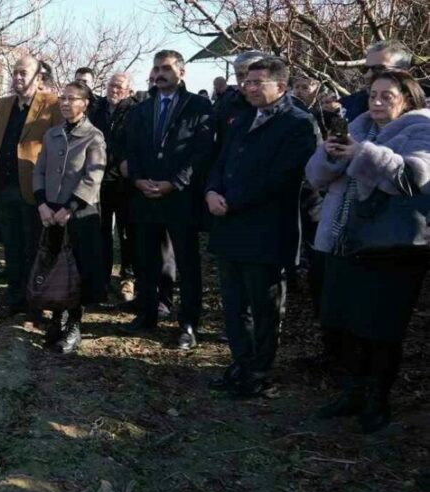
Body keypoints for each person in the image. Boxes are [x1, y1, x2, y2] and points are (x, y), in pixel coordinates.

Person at [306, 69, 430, 433]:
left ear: (407, 99)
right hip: (344, 242)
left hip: (392, 249)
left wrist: (364, 154)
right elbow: (316, 178)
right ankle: (352, 392)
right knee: (344, 324)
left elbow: (413, 179)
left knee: (381, 329)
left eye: (386, 96)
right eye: (373, 94)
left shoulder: (421, 129)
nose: (376, 102)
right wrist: (330, 155)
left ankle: (378, 400)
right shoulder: (356, 127)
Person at [205, 57, 318, 398]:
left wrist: (232, 201)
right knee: (234, 304)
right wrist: (211, 190)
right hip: (229, 227)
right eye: (246, 81)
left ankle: (260, 370)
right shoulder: (241, 118)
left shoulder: (299, 123)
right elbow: (220, 161)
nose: (247, 87)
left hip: (266, 230)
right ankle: (240, 362)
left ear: (281, 87)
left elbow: (281, 178)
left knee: (264, 306)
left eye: (257, 83)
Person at [122, 50, 214, 350]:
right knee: (146, 261)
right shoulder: (140, 109)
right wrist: (137, 179)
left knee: (186, 264)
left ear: (181, 73)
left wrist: (174, 183)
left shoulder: (199, 106)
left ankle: (187, 323)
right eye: (156, 68)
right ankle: (148, 313)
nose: (160, 73)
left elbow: (201, 151)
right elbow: (130, 149)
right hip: (145, 197)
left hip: (180, 199)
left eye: (167, 68)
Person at [0, 56, 63, 315]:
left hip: (35, 192)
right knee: (12, 248)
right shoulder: (3, 105)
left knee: (35, 249)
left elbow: (59, 151)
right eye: (15, 73)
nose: (18, 77)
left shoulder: (53, 105)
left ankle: (36, 303)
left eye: (23, 73)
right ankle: (15, 299)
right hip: (6, 189)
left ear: (38, 77)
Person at [32, 81, 107, 353]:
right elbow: (39, 170)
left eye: (72, 98)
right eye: (62, 98)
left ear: (85, 103)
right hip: (51, 211)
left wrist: (70, 208)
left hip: (80, 212)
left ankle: (74, 325)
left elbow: (93, 176)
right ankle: (56, 318)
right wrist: (42, 204)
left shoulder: (94, 136)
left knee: (77, 268)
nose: (65, 103)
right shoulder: (52, 134)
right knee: (53, 264)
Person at [93, 73, 140, 300]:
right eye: (112, 85)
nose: (114, 90)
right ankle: (101, 278)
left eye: (120, 87)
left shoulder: (135, 111)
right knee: (101, 232)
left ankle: (128, 278)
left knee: (127, 232)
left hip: (125, 182)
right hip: (99, 180)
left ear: (128, 90)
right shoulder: (97, 109)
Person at [340, 40, 413, 121]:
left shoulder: (423, 116)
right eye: (366, 69)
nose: (368, 75)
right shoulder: (350, 104)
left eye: (379, 69)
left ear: (404, 72)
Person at [214, 51, 267, 152]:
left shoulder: (281, 107)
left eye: (249, 74)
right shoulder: (227, 104)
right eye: (240, 75)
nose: (244, 81)